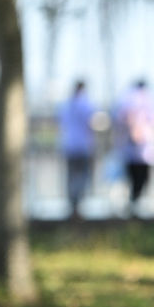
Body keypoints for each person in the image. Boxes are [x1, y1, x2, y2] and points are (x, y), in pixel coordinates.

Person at [113, 80, 154, 213]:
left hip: (138, 147)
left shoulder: (127, 98)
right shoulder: (150, 98)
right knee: (141, 177)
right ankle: (135, 201)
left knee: (134, 176)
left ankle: (134, 201)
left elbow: (119, 117)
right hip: (140, 146)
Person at [57, 80, 96, 218]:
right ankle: (77, 203)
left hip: (69, 145)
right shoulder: (86, 104)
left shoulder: (65, 104)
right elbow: (92, 122)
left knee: (71, 176)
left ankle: (72, 204)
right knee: (81, 176)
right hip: (83, 146)